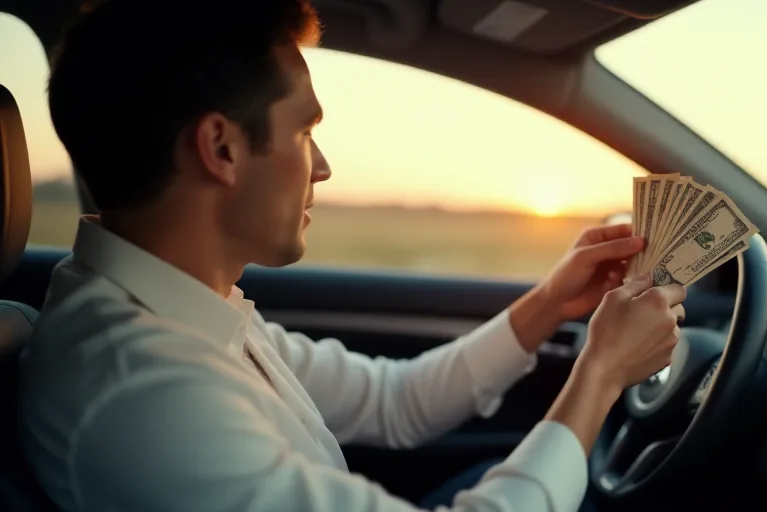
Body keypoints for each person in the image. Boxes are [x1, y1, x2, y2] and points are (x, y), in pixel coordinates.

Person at [17, 1, 688, 511]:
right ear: (220, 148)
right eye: (305, 130)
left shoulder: (185, 312)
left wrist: (551, 303)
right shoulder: (142, 393)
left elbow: (394, 402)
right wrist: (600, 375)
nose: (325, 167)